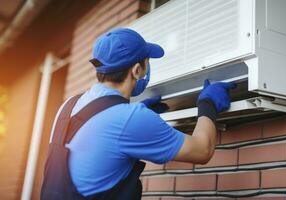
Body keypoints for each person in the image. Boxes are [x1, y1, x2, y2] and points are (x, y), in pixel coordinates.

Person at [40, 28, 236, 200]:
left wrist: (134, 118)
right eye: (147, 62)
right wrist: (207, 103)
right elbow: (202, 150)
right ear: (136, 70)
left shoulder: (68, 105)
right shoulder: (129, 118)